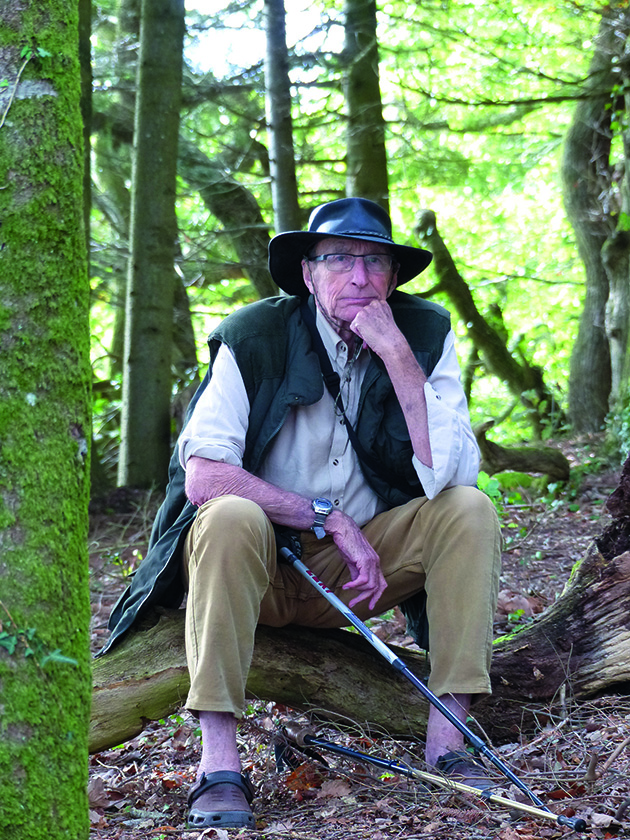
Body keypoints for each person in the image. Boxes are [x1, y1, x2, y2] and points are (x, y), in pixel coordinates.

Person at [101, 197, 501, 829]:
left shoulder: (423, 334)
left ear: (394, 279)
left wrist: (399, 358)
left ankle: (449, 744)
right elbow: (205, 474)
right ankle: (220, 766)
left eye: (375, 261)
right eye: (339, 259)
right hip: (256, 569)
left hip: (365, 572)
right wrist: (323, 515)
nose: (360, 277)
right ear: (309, 273)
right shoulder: (253, 334)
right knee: (230, 516)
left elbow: (454, 476)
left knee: (471, 511)